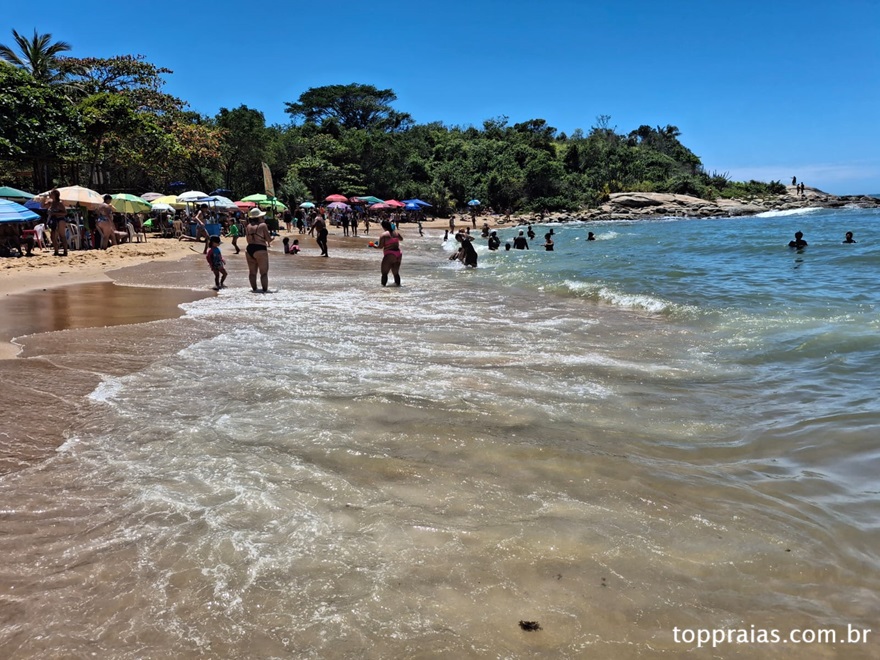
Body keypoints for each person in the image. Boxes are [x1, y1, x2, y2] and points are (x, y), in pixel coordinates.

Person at [245, 207, 272, 292]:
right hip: (260, 249)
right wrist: (273, 238)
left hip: (249, 249)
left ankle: (254, 290)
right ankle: (264, 291)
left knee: (252, 272)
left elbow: (247, 239)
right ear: (259, 217)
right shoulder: (263, 225)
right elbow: (268, 239)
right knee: (263, 273)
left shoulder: (248, 226)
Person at [41, 189, 69, 256]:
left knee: (62, 235)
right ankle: (56, 251)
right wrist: (43, 199)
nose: (50, 194)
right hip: (53, 220)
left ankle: (65, 251)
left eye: (51, 193)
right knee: (53, 236)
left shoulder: (60, 203)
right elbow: (42, 206)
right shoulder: (50, 202)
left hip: (60, 219)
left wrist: (55, 213)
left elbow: (65, 213)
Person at [376, 219, 403, 286]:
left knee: (384, 273)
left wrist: (373, 245)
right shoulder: (396, 233)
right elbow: (401, 239)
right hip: (398, 254)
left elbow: (380, 247)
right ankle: (398, 289)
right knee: (396, 273)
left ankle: (382, 290)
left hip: (390, 254)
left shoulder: (384, 235)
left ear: (383, 227)